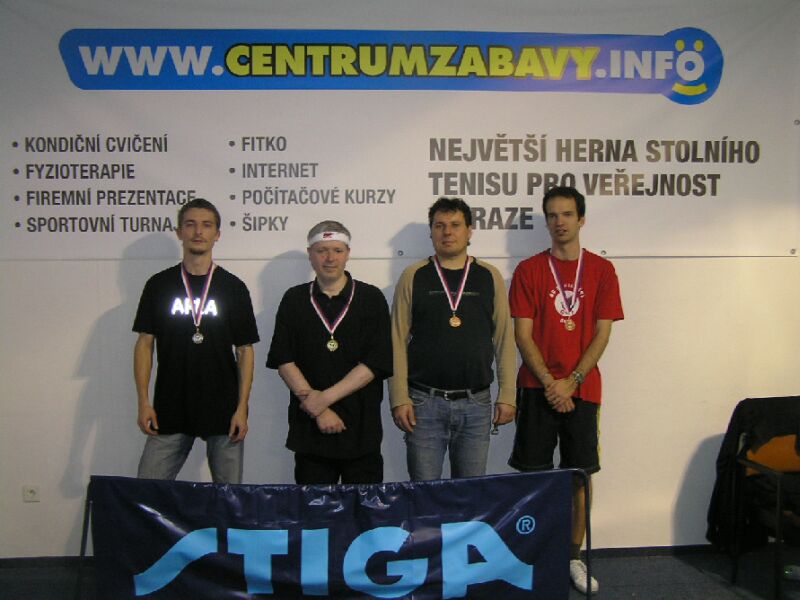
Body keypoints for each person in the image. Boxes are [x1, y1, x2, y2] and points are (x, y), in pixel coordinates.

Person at [508, 186, 624, 594]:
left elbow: (602, 333)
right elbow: (523, 335)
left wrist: (571, 381)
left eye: (567, 214)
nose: (559, 222)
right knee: (533, 477)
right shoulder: (528, 270)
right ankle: (534, 556)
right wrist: (550, 383)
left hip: (583, 389)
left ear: (581, 219)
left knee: (579, 476)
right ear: (546, 221)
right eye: (553, 215)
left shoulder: (602, 270)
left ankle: (573, 557)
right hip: (536, 388)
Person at [390, 197, 517, 481]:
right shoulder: (414, 276)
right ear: (431, 232)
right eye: (439, 225)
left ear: (469, 231)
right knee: (425, 494)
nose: (447, 232)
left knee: (469, 496)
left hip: (476, 405)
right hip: (424, 404)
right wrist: (399, 398)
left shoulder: (489, 276)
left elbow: (504, 339)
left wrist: (508, 395)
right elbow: (396, 340)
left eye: (455, 225)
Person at [133, 198, 259, 483]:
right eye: (190, 225)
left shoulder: (233, 287)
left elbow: (245, 350)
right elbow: (144, 343)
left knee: (229, 497)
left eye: (206, 225)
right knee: (147, 490)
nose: (198, 232)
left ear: (217, 234)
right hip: (170, 404)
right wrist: (143, 402)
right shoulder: (159, 285)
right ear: (179, 232)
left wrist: (242, 408)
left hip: (224, 408)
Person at [266, 221, 392, 484]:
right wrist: (319, 411)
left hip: (361, 431)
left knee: (363, 508)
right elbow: (284, 360)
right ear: (310, 254)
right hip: (311, 430)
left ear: (347, 253)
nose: (330, 258)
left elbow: (375, 362)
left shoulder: (371, 298)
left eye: (337, 250)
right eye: (322, 250)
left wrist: (323, 400)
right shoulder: (294, 299)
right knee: (313, 508)